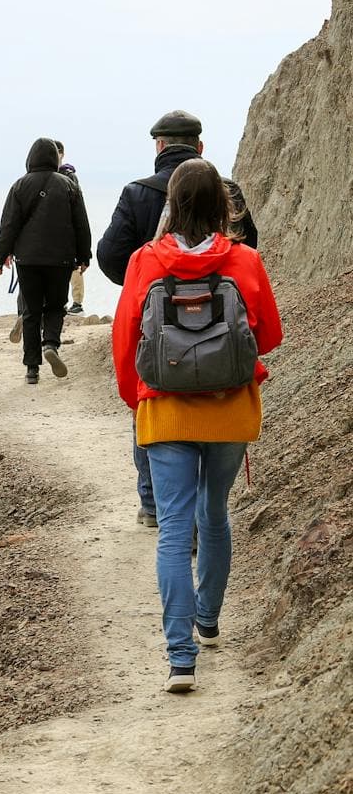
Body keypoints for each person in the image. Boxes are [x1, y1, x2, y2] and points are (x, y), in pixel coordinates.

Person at [110, 159, 281, 693]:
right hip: (229, 410)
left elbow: (125, 338)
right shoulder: (245, 260)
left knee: (174, 529)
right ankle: (208, 620)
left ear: (171, 205)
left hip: (165, 409)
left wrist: (138, 399)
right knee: (214, 514)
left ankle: (180, 658)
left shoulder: (145, 261)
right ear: (223, 206)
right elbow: (270, 335)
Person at [96, 110, 261, 527]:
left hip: (157, 326)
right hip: (220, 325)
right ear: (200, 146)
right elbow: (250, 250)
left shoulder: (137, 193)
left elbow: (110, 255)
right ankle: (203, 512)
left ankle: (154, 503)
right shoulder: (227, 191)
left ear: (159, 147)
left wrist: (144, 284)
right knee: (213, 411)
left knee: (151, 400)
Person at [0, 138, 92, 384]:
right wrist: (85, 255)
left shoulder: (19, 186)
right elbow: (81, 223)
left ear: (30, 158)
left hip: (27, 259)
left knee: (31, 311)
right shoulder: (69, 185)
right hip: (61, 258)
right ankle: (50, 344)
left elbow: (9, 225)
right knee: (56, 306)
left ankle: (32, 368)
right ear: (55, 158)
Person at [54, 140, 86, 314]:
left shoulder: (69, 175)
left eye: (57, 151)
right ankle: (60, 301)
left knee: (74, 269)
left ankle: (77, 303)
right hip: (55, 231)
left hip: (69, 230)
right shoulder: (46, 174)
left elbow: (78, 207)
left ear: (62, 154)